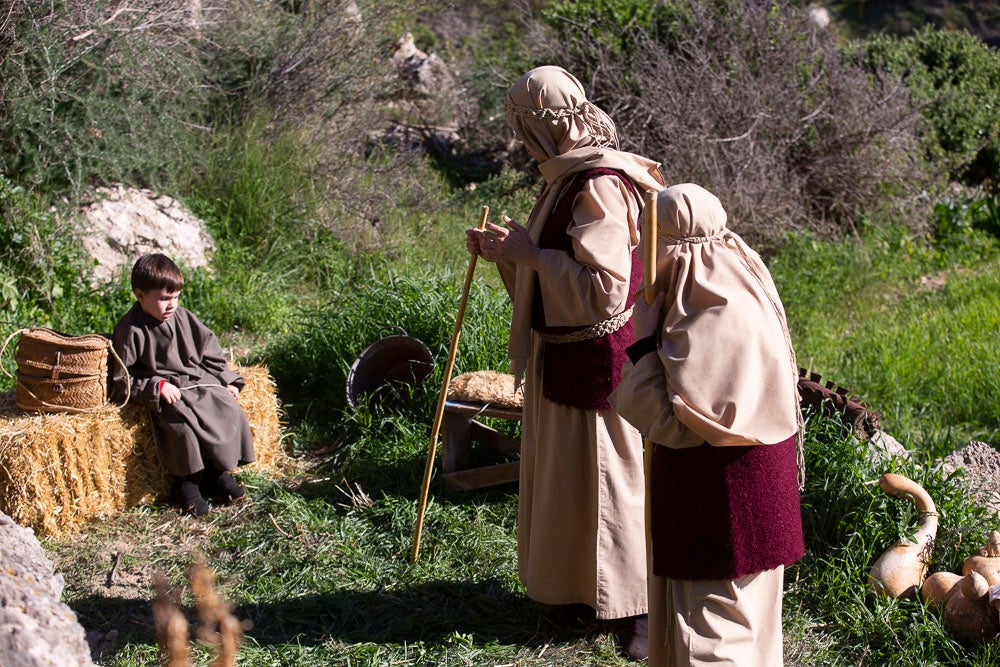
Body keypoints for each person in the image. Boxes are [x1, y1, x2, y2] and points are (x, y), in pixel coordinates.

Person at [466, 65, 665, 660]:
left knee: (616, 485)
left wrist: (529, 253)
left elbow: (604, 287)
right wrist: (510, 254)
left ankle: (643, 610)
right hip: (562, 353)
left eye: (524, 128)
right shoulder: (565, 176)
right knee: (576, 484)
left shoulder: (599, 182)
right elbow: (551, 265)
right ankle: (589, 591)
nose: (522, 143)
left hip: (599, 360)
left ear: (545, 125)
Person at [608, 183, 805, 666]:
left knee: (715, 638)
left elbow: (678, 424)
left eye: (648, 243)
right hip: (757, 493)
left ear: (672, 245)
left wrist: (645, 338)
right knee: (750, 622)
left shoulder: (705, 313)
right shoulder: (738, 277)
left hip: (720, 504)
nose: (641, 254)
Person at [113, 253, 255, 517]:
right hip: (167, 390)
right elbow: (124, 376)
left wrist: (226, 379)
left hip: (197, 380)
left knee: (228, 407)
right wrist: (155, 386)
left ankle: (215, 472)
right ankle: (186, 483)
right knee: (182, 425)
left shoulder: (185, 318)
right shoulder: (130, 330)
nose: (171, 305)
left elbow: (209, 352)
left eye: (176, 297)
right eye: (164, 298)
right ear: (140, 295)